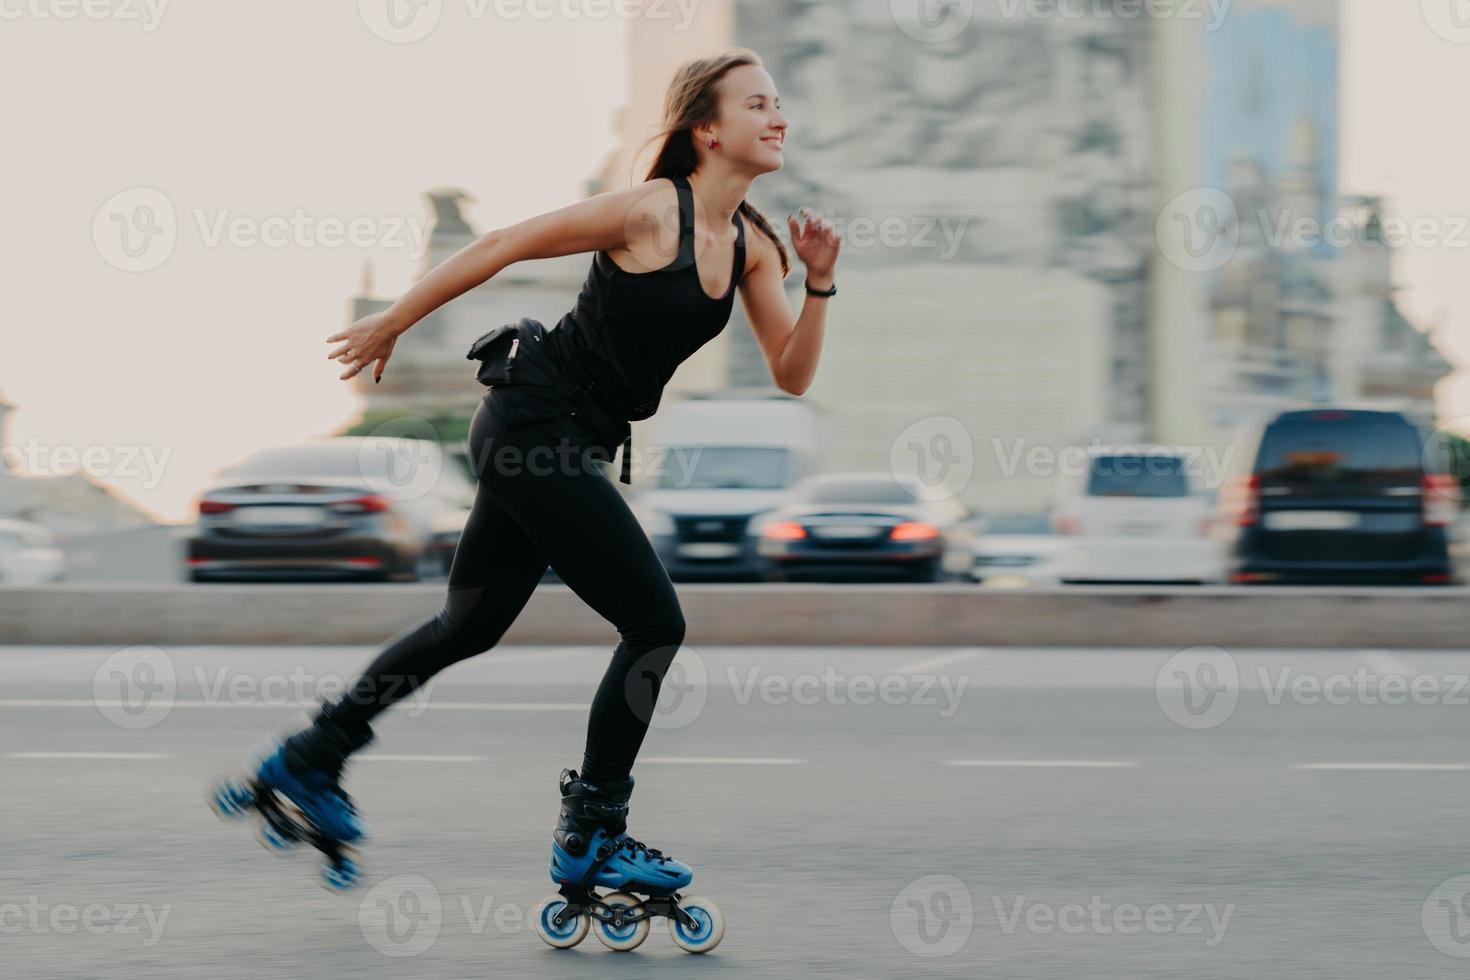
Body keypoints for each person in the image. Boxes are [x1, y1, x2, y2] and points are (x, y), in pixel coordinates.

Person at [235, 48, 840, 892]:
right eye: (758, 104)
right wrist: (396, 321)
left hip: (566, 441)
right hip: (532, 419)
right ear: (707, 128)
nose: (779, 118)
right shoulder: (646, 213)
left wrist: (818, 286)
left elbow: (792, 372)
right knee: (655, 623)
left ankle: (309, 758)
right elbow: (505, 242)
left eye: (779, 105)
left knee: (468, 625)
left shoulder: (752, 248)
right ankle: (594, 829)